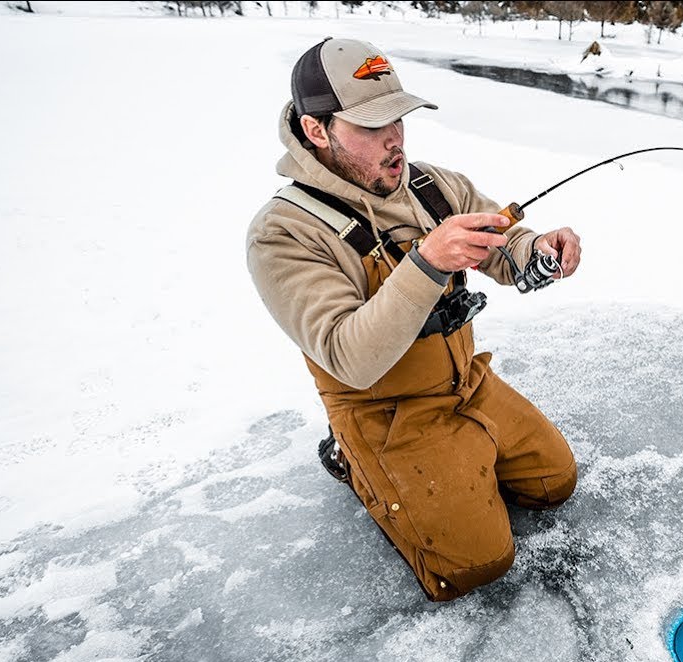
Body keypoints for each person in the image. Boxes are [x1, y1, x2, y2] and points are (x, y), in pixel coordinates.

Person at [246, 38, 582, 602]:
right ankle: (356, 463)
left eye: (398, 118)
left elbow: (504, 247)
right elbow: (350, 357)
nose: (394, 139)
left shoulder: (433, 186)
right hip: (384, 412)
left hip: (466, 383)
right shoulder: (283, 234)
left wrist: (538, 253)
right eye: (371, 125)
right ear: (316, 131)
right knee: (479, 563)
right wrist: (428, 263)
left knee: (555, 482)